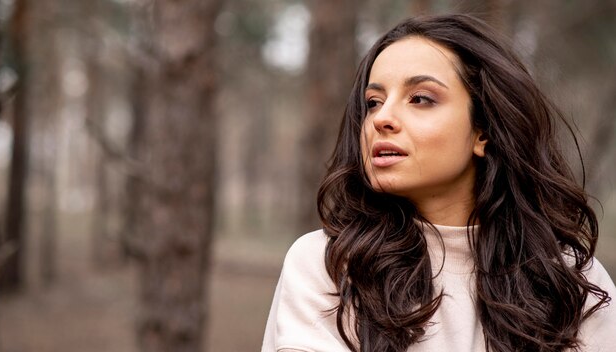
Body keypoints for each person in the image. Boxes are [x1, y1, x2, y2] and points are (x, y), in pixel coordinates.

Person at [262, 14, 616, 352]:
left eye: (420, 99)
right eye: (373, 102)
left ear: (484, 130)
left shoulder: (569, 279)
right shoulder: (331, 265)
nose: (382, 118)